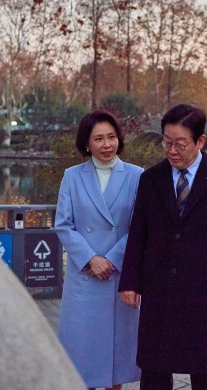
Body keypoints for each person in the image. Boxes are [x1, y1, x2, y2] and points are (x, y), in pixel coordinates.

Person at [119, 104, 207, 390]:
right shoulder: (151, 179)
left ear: (200, 141)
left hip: (204, 290)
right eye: (167, 142)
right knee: (155, 368)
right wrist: (130, 282)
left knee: (204, 369)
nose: (172, 151)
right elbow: (138, 233)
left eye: (180, 144)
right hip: (159, 289)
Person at [54, 110, 143, 390]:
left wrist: (112, 259)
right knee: (84, 358)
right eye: (99, 139)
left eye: (111, 137)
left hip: (119, 275)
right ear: (87, 143)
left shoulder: (137, 176)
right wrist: (91, 258)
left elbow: (140, 227)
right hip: (85, 277)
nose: (107, 145)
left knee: (115, 362)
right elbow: (63, 224)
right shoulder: (72, 176)